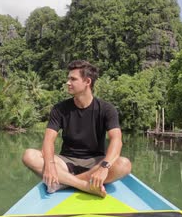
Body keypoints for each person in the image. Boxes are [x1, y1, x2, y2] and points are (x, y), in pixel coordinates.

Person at [22, 60, 132, 197]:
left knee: (124, 165)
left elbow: (116, 140)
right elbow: (48, 140)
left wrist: (104, 167)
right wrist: (50, 165)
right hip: (65, 162)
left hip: (95, 162)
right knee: (29, 155)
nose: (68, 83)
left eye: (73, 79)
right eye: (68, 79)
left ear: (87, 82)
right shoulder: (59, 109)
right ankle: (84, 185)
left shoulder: (106, 109)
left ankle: (63, 182)